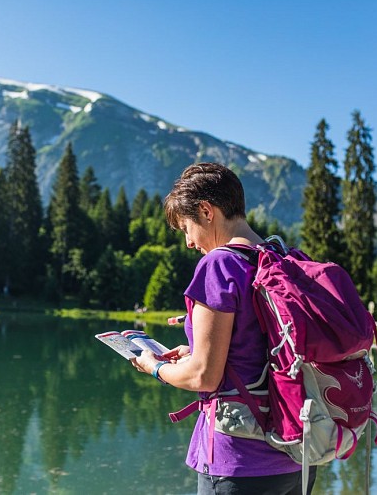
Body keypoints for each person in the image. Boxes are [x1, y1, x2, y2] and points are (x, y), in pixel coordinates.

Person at [131, 162, 316, 494]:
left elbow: (204, 376)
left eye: (187, 228)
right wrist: (196, 350)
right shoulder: (280, 258)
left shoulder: (219, 264)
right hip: (297, 458)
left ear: (206, 212)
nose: (189, 242)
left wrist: (154, 367)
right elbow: (266, 348)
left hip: (239, 461)